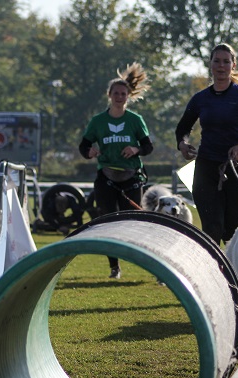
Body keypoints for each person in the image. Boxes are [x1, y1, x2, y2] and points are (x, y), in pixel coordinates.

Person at [175, 43, 238, 246]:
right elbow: (182, 128)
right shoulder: (200, 99)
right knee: (211, 226)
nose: (221, 66)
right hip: (206, 167)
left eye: (226, 61)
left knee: (234, 229)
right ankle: (212, 274)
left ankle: (235, 274)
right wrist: (182, 144)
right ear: (210, 64)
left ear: (233, 65)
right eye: (216, 61)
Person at [79, 62, 153, 279]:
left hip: (131, 177)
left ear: (128, 96)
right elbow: (83, 146)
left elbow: (148, 147)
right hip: (107, 176)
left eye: (123, 93)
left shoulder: (135, 120)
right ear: (109, 95)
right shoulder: (98, 121)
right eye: (116, 93)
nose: (120, 96)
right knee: (108, 220)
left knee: (132, 221)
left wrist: (135, 148)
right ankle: (114, 266)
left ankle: (144, 259)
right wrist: (90, 152)